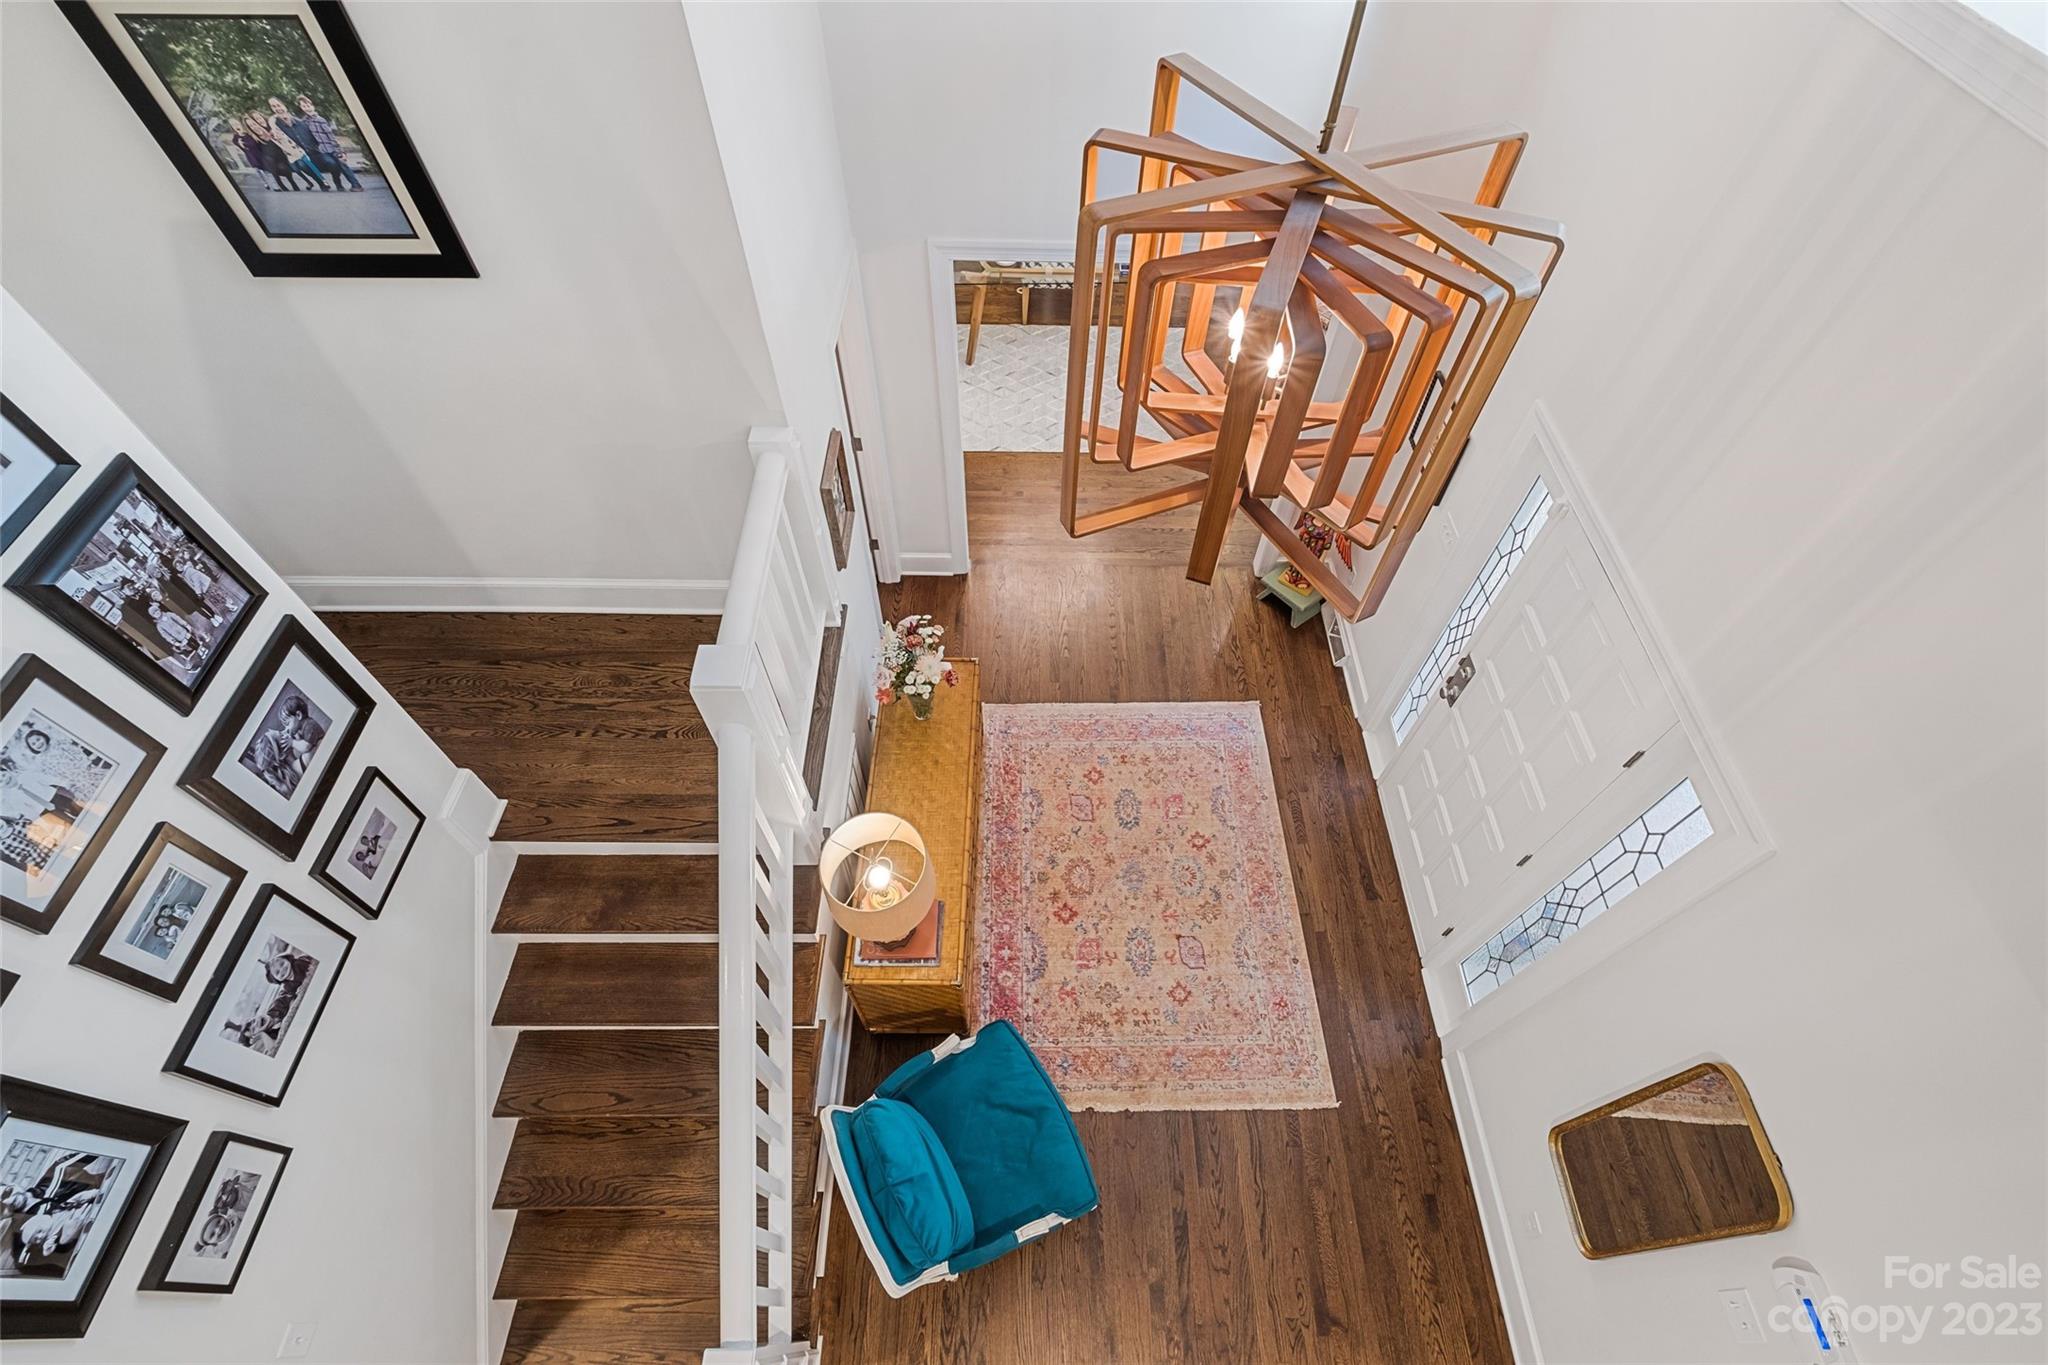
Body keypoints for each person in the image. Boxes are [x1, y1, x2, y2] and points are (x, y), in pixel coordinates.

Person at [291, 95, 363, 191]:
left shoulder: (321, 120)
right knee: (332, 164)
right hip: (320, 150)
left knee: (342, 163)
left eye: (308, 105)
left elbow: (331, 136)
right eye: (304, 106)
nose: (307, 108)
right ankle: (338, 183)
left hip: (331, 147)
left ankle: (356, 185)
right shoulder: (304, 122)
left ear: (312, 106)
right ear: (301, 108)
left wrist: (339, 150)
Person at [255, 105, 326, 190]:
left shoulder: (273, 122)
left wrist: (273, 128)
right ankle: (309, 182)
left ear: (262, 116)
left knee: (307, 164)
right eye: (257, 120)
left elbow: (273, 118)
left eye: (259, 118)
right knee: (295, 169)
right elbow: (265, 137)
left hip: (293, 147)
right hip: (285, 152)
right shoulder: (263, 130)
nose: (259, 121)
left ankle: (323, 181)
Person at [229, 116, 293, 191]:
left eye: (236, 124)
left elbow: (259, 141)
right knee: (259, 171)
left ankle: (276, 187)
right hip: (252, 157)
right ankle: (265, 183)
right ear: (232, 128)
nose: (236, 126)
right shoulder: (235, 139)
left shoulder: (249, 134)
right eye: (233, 125)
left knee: (267, 171)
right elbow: (243, 149)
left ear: (240, 124)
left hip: (260, 154)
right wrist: (240, 143)